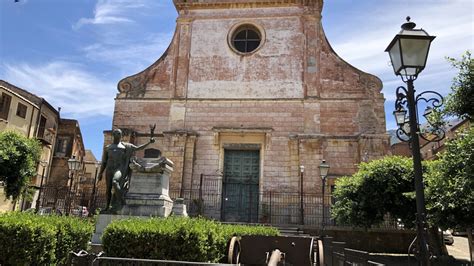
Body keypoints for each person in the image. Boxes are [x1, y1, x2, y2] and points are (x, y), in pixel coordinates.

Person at [98, 128, 154, 212]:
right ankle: (107, 206)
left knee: (115, 182)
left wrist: (149, 142)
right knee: (108, 189)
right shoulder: (108, 147)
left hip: (119, 168)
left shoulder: (125, 146)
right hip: (109, 169)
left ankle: (121, 199)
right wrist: (100, 173)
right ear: (113, 135)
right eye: (116, 133)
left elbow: (138, 148)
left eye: (119, 134)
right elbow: (104, 161)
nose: (117, 135)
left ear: (121, 136)